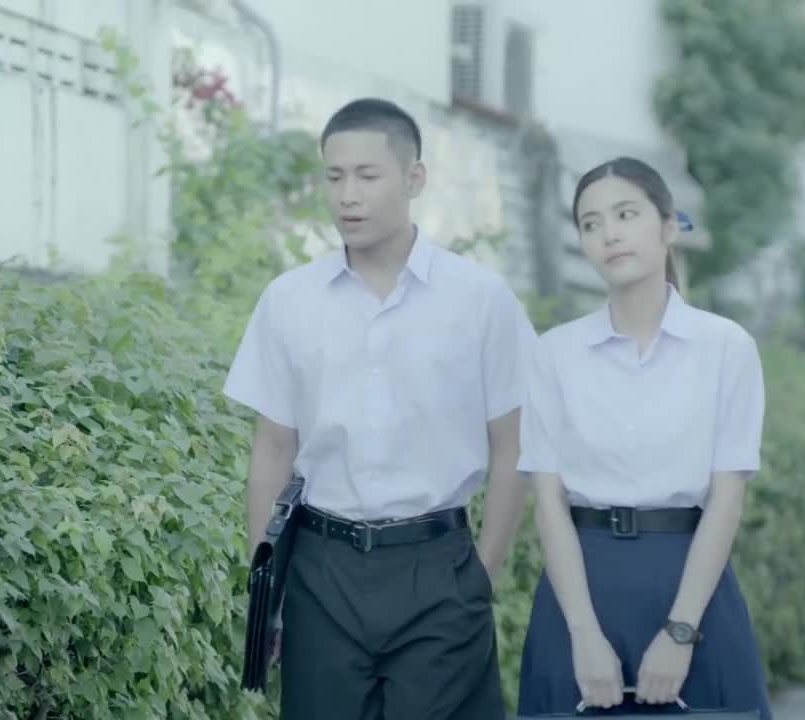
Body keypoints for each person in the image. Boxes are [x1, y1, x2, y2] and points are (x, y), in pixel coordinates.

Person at [223, 97, 537, 720]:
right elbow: (273, 450)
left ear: (414, 179)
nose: (348, 196)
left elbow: (515, 445)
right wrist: (267, 597)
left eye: (368, 176)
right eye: (334, 177)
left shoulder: (480, 299)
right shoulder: (289, 300)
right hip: (322, 568)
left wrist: (483, 574)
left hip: (439, 567)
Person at [514, 156, 773, 718]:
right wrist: (583, 634)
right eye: (591, 223)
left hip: (691, 587)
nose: (609, 233)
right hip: (580, 591)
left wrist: (681, 632)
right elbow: (549, 505)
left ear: (668, 225)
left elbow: (726, 499)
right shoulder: (555, 353)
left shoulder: (725, 347)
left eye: (626, 214)